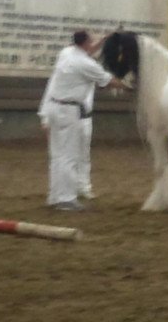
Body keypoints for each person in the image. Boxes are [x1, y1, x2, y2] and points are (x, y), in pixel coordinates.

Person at [38, 30, 129, 211]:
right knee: (70, 155)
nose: (93, 45)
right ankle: (67, 198)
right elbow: (109, 80)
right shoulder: (86, 64)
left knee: (57, 155)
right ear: (85, 43)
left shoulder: (66, 53)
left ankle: (55, 196)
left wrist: (104, 39)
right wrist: (130, 86)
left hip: (54, 107)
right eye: (91, 41)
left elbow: (88, 51)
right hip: (69, 110)